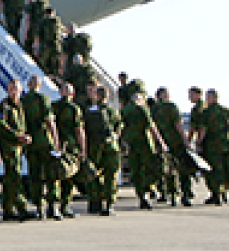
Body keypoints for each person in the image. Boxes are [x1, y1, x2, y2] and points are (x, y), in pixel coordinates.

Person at [0, 78, 32, 222]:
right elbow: (1, 125)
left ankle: (8, 209)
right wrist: (18, 136)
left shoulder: (20, 107)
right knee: (14, 177)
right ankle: (21, 207)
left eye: (16, 89)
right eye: (11, 89)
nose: (14, 92)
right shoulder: (4, 107)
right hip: (9, 146)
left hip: (19, 147)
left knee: (10, 178)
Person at [198, 89, 229, 205]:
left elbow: (203, 130)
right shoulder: (227, 111)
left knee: (216, 172)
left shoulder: (206, 113)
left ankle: (218, 195)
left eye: (207, 97)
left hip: (213, 149)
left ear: (212, 98)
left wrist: (199, 143)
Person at [22, 75, 61, 219]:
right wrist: (56, 142)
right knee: (51, 176)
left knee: (35, 176)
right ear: (40, 85)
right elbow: (50, 121)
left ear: (28, 85)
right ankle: (53, 207)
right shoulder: (43, 99)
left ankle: (39, 208)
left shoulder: (23, 101)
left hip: (31, 144)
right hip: (45, 142)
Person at [121, 92, 168, 210]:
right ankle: (149, 190)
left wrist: (124, 144)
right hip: (145, 144)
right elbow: (151, 127)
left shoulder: (125, 111)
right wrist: (161, 142)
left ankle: (142, 196)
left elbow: (121, 129)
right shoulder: (143, 109)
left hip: (132, 145)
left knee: (136, 171)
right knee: (151, 168)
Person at [82, 84, 121, 216]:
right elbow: (119, 128)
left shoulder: (89, 111)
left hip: (94, 147)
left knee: (94, 174)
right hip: (111, 147)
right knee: (110, 175)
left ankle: (94, 202)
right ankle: (109, 204)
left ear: (97, 96)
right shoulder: (112, 111)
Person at [151, 87, 191, 207]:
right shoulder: (172, 107)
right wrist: (186, 141)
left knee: (168, 170)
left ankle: (172, 195)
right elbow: (178, 125)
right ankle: (186, 195)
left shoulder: (154, 109)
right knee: (183, 169)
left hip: (163, 143)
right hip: (176, 142)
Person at [52, 83, 87, 218]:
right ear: (72, 94)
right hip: (71, 147)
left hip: (56, 145)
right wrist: (83, 149)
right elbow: (79, 130)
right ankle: (64, 206)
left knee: (55, 176)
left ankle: (53, 206)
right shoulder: (74, 108)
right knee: (69, 176)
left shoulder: (54, 106)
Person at [34, 7, 65, 77]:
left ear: (45, 14)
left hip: (46, 46)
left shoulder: (43, 22)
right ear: (53, 13)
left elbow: (37, 36)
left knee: (43, 65)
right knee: (55, 65)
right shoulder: (57, 22)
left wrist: (35, 48)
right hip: (56, 47)